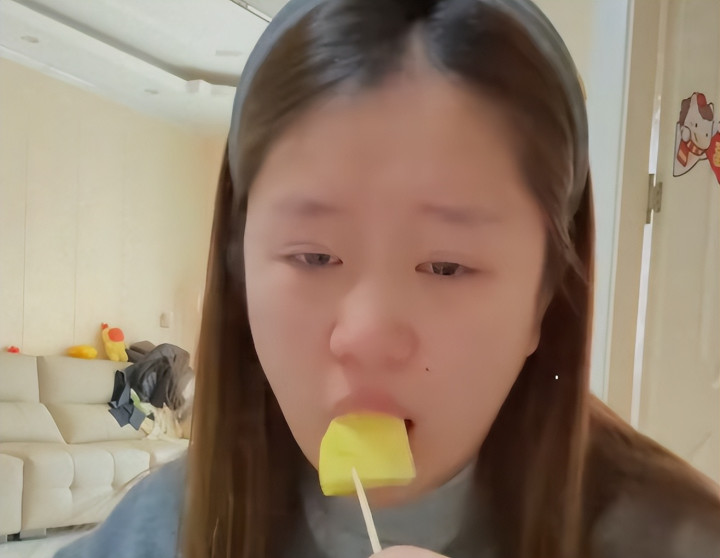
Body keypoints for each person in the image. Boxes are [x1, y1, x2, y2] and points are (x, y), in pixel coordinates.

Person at [56, 0, 720, 557]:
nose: (365, 335)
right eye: (313, 258)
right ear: (240, 273)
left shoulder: (682, 540)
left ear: (546, 297)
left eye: (447, 266)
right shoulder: (154, 533)